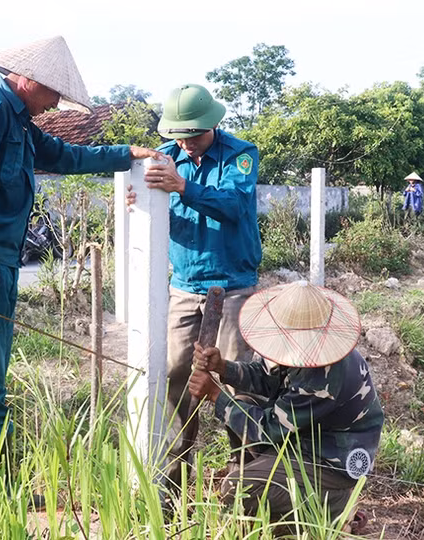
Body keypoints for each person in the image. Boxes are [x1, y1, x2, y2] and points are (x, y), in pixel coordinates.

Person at [0, 36, 159, 468]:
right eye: (55, 92)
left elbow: (64, 155)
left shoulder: (18, 122)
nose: (56, 104)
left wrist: (125, 154)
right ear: (30, 80)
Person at [126, 84, 262, 494]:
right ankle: (174, 477)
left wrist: (183, 188)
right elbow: (165, 214)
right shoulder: (166, 159)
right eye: (179, 136)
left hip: (234, 285)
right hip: (185, 286)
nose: (185, 143)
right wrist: (140, 200)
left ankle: (247, 477)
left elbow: (234, 205)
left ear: (215, 124)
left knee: (240, 379)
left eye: (194, 135)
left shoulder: (241, 154)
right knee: (175, 376)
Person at [188, 280, 383, 531]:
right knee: (245, 403)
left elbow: (268, 430)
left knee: (237, 489)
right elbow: (268, 376)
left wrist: (215, 395)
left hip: (330, 461)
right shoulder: (305, 350)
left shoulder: (323, 375)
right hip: (306, 440)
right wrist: (223, 367)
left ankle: (331, 508)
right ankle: (267, 481)